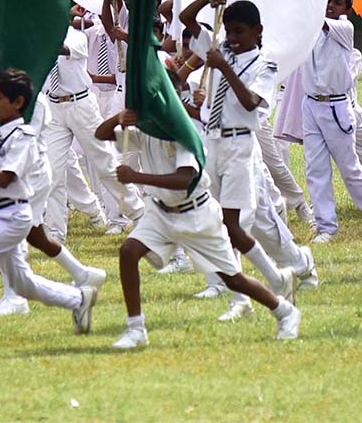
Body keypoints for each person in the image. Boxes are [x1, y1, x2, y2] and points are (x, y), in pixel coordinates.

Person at [99, 108, 301, 350]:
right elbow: (101, 134)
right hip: (161, 212)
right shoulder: (147, 130)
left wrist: (136, 177)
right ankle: (136, 327)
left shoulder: (183, 133)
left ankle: (284, 311)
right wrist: (119, 118)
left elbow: (185, 179)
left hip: (197, 215)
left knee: (233, 279)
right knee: (128, 252)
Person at [0, 68, 100, 342]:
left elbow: (5, 178)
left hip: (12, 214)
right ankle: (78, 299)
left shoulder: (22, 137)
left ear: (17, 103)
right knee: (22, 283)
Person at [180, 0, 297, 320]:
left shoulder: (265, 64)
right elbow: (185, 19)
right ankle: (269, 279)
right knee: (211, 220)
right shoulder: (220, 50)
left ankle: (245, 296)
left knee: (233, 224)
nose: (231, 37)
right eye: (228, 31)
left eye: (239, 32)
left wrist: (223, 68)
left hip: (240, 146)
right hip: (212, 142)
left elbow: (250, 103)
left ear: (257, 31)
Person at [298, 0, 362, 243]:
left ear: (347, 9)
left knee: (350, 168)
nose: (330, 6)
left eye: (337, 3)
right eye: (327, 1)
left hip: (335, 107)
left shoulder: (344, 28)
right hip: (311, 103)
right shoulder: (314, 29)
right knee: (315, 168)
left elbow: (318, 20)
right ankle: (326, 226)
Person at [42, 9, 142, 241]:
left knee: (105, 165)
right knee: (53, 173)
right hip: (55, 105)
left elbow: (62, 49)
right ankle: (56, 232)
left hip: (81, 105)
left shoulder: (75, 36)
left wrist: (37, 39)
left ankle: (139, 213)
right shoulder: (38, 37)